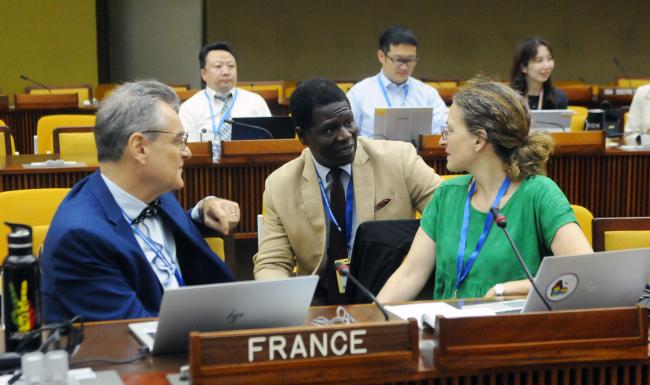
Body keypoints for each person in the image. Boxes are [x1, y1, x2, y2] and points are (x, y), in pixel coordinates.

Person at [41, 80, 241, 323]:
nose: (187, 152)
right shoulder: (81, 239)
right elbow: (132, 336)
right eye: (179, 141)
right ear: (140, 148)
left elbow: (144, 229)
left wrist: (201, 212)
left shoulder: (149, 190)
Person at [377, 79, 592, 303]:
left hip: (513, 330)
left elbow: (583, 273)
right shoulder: (446, 195)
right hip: (450, 329)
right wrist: (370, 319)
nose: (442, 140)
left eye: (449, 130)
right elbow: (409, 275)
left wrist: (505, 290)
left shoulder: (539, 193)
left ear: (479, 139)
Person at [253, 78, 442, 305]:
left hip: (390, 293)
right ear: (302, 136)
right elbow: (272, 263)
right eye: (330, 129)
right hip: (319, 301)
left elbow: (449, 216)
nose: (344, 135)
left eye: (348, 122)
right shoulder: (280, 184)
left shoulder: (399, 159)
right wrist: (287, 307)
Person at [346, 26, 448, 138]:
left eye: (410, 60)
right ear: (381, 56)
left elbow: (444, 131)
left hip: (418, 155)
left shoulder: (428, 94)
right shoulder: (359, 93)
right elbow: (348, 135)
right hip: (372, 155)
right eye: (398, 60)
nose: (404, 67)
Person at [179, 41, 271, 160]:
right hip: (205, 173)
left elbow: (271, 142)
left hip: (248, 169)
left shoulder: (255, 102)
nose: (226, 72)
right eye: (218, 66)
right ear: (203, 74)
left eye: (231, 66)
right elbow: (185, 149)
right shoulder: (189, 107)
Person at [510, 37, 568, 110]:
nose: (546, 66)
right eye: (539, 60)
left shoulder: (559, 98)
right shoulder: (509, 98)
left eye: (549, 59)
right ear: (523, 67)